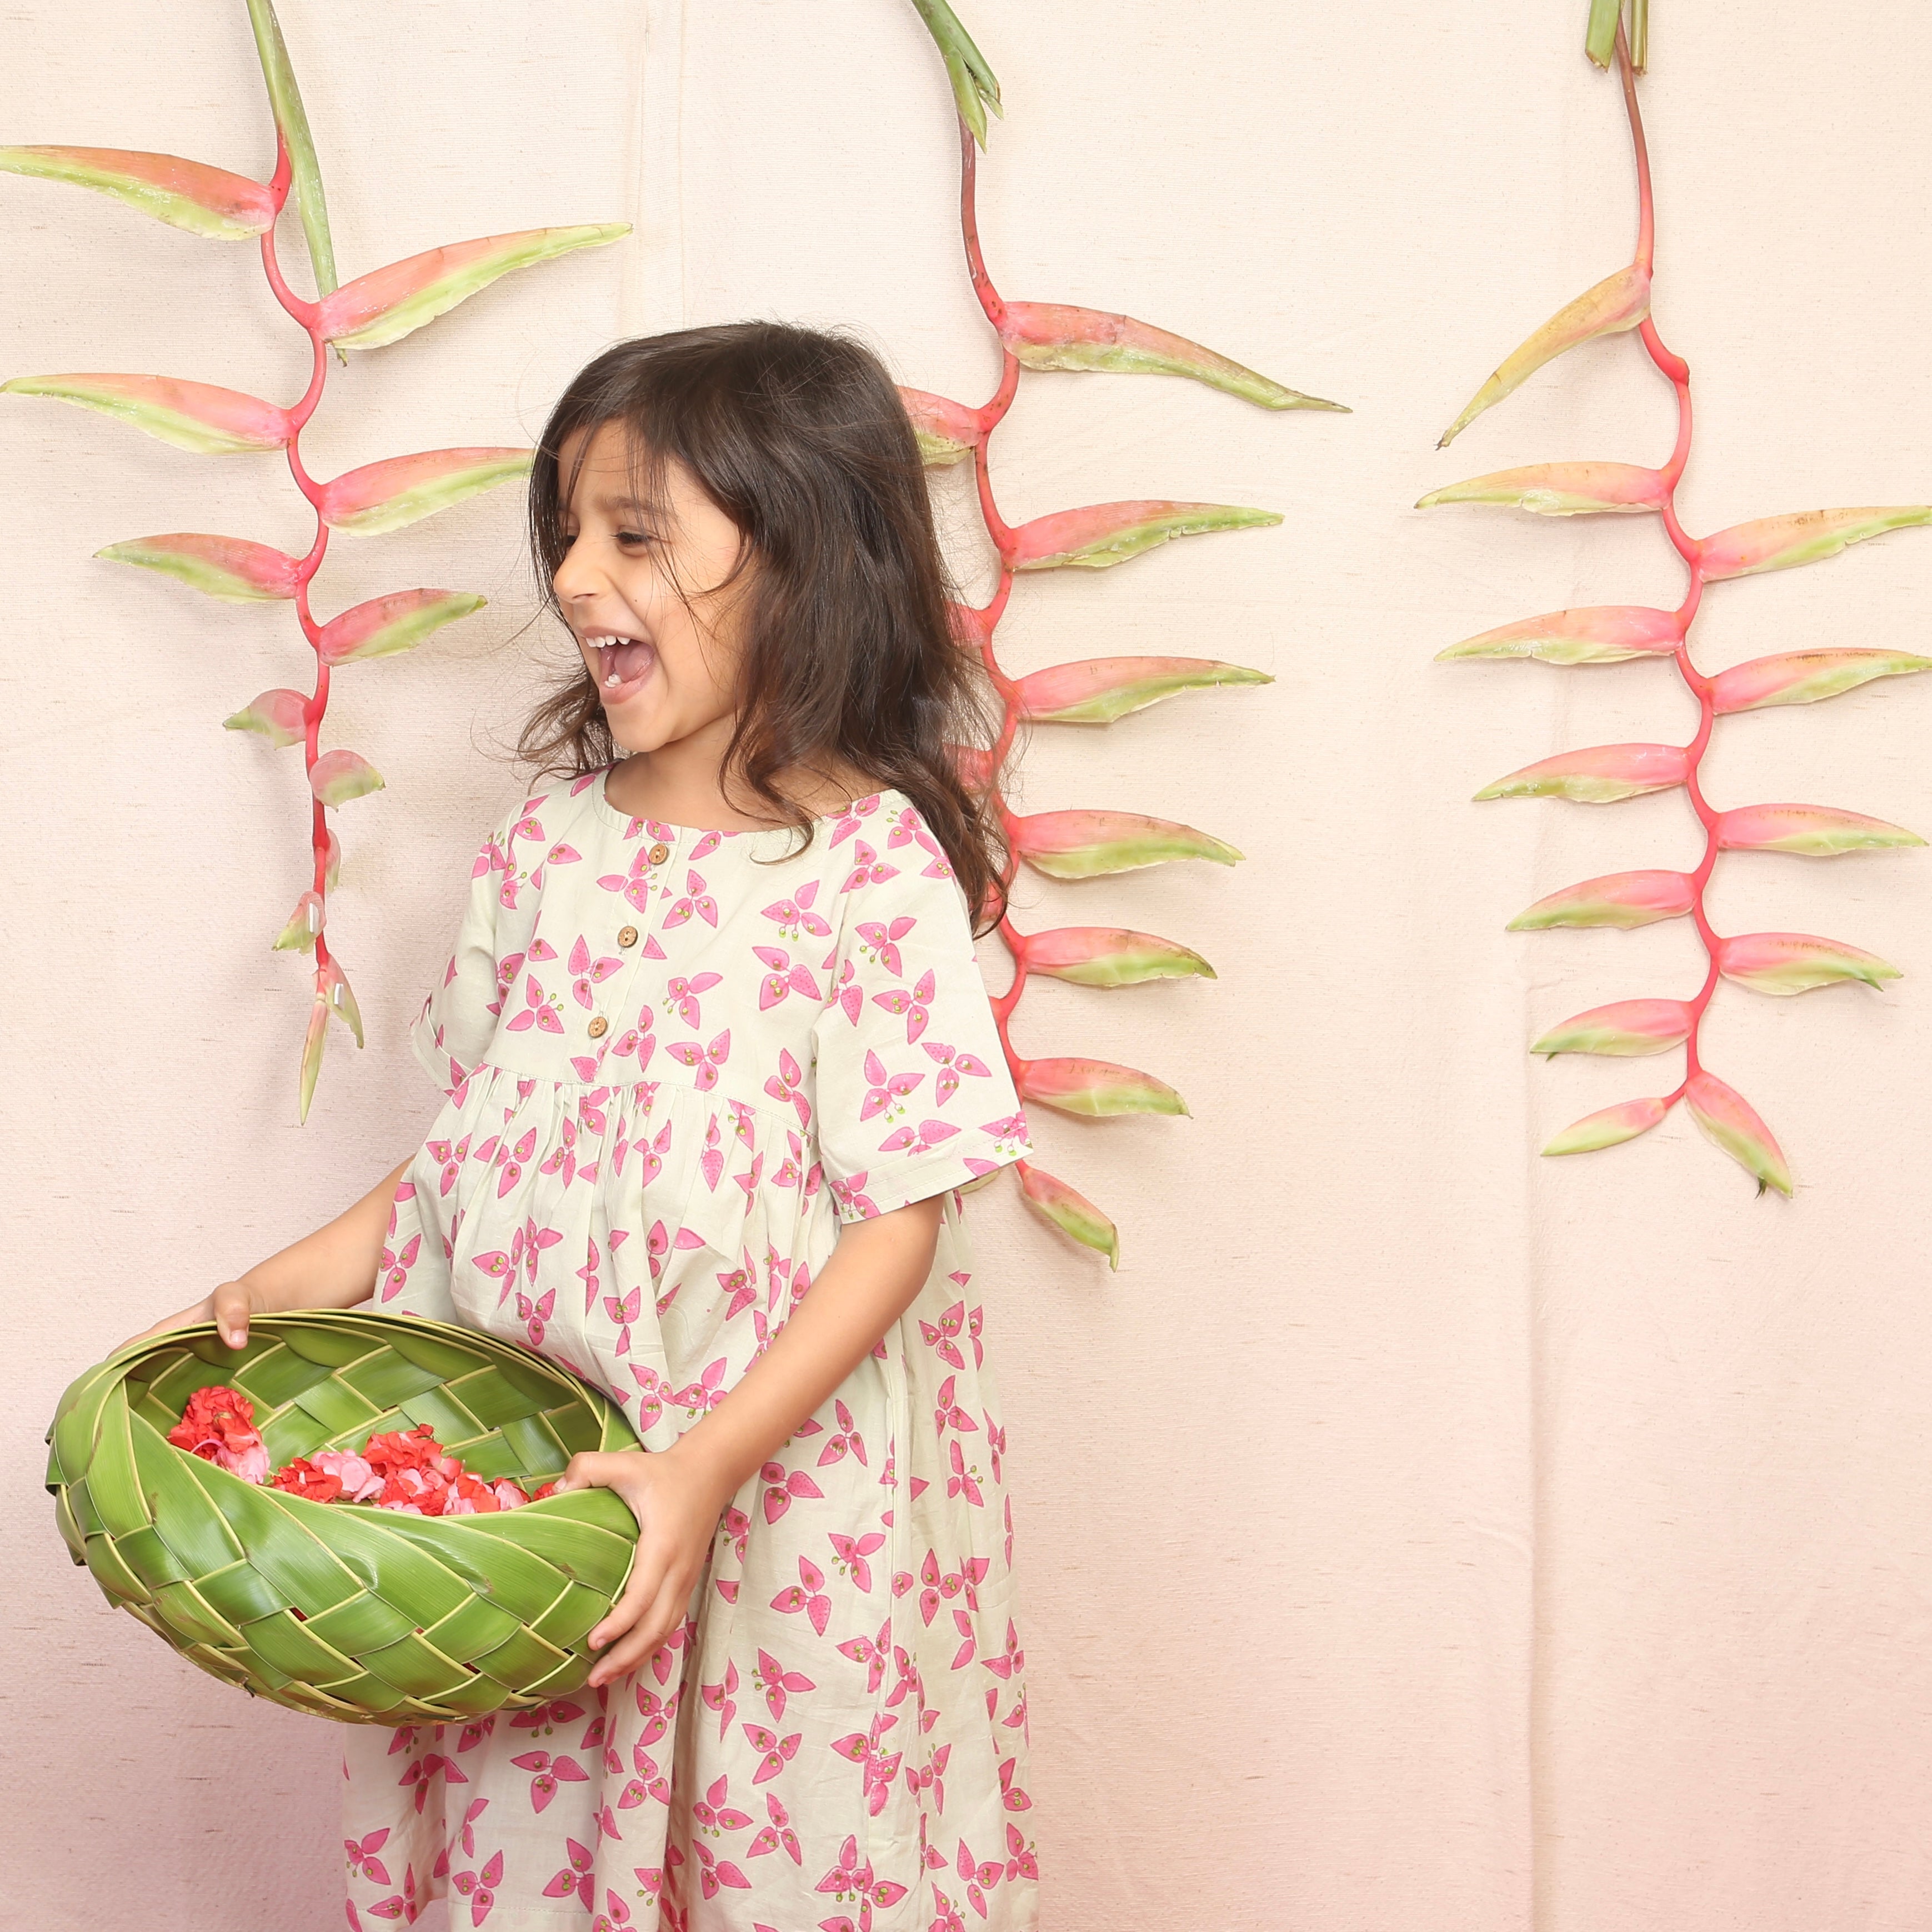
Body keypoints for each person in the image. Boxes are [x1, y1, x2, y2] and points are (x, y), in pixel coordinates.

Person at [134, 322, 1042, 1931]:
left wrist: (704, 1469)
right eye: (564, 530)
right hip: (546, 1480)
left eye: (636, 535)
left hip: (765, 1485)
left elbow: (901, 1219)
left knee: (759, 1830)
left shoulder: (865, 871)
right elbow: (490, 1146)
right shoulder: (550, 846)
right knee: (537, 1822)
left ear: (807, 565)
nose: (572, 576)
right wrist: (307, 1276)